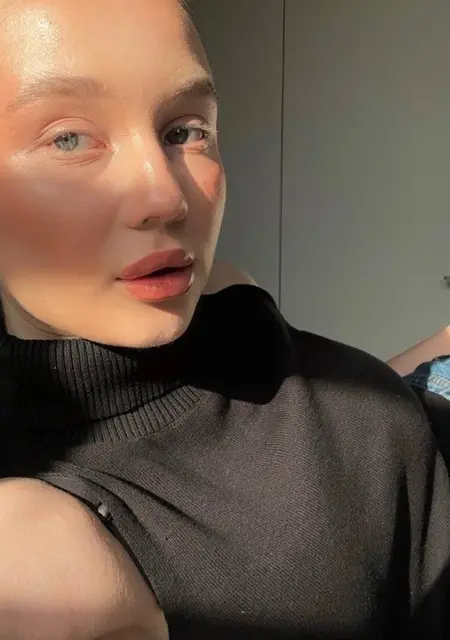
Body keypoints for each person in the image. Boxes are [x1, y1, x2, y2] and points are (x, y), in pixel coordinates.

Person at [1, 0, 450, 638]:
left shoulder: (347, 410)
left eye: (185, 131)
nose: (165, 196)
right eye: (69, 138)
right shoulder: (32, 552)